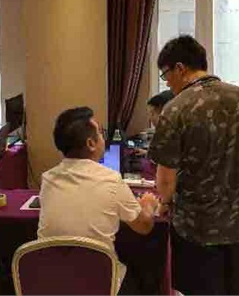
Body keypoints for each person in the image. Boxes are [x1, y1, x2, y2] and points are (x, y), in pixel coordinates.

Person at [149, 35, 239, 295]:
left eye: (166, 75)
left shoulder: (176, 109)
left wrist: (164, 203)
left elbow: (166, 177)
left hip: (197, 230)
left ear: (180, 68)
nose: (166, 82)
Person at [38, 107, 158, 288]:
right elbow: (143, 226)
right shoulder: (111, 179)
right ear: (91, 143)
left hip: (51, 282)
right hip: (99, 283)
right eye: (101, 133)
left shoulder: (47, 178)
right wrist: (148, 205)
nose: (104, 138)